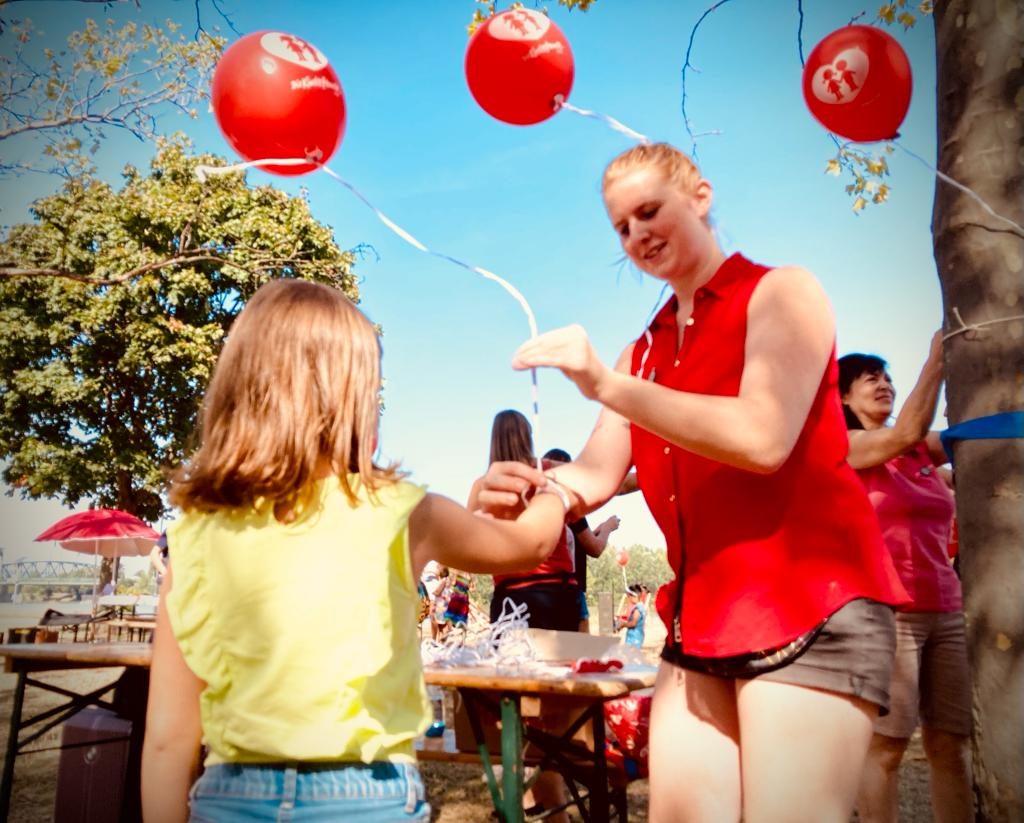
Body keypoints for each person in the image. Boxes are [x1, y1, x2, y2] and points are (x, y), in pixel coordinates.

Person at [473, 142, 910, 822]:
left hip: (813, 603)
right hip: (703, 623)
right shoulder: (640, 351)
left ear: (700, 196)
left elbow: (762, 438)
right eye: (622, 226)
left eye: (649, 211)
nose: (636, 234)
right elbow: (588, 477)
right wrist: (511, 506)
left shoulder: (781, 291)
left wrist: (608, 385)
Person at [140, 279, 566, 823]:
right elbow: (531, 543)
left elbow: (166, 744)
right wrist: (557, 489)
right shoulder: (403, 512)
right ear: (351, 399)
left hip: (230, 796)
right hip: (365, 796)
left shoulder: (195, 537)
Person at [840, 334, 972, 823]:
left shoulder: (919, 454)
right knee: (888, 749)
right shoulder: (847, 448)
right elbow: (909, 428)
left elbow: (972, 435)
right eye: (869, 377)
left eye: (888, 375)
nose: (884, 384)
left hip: (948, 612)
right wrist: (938, 358)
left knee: (950, 745)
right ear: (843, 398)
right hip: (889, 616)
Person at [470, 411, 579, 632]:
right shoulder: (548, 472)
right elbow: (610, 482)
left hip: (509, 595)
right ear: (527, 436)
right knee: (562, 664)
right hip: (557, 590)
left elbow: (465, 544)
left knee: (510, 664)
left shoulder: (482, 486)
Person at [542, 447, 621, 632]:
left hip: (541, 590)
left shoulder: (537, 506)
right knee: (578, 648)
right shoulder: (569, 507)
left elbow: (568, 543)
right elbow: (594, 548)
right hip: (569, 588)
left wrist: (596, 530)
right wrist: (608, 528)